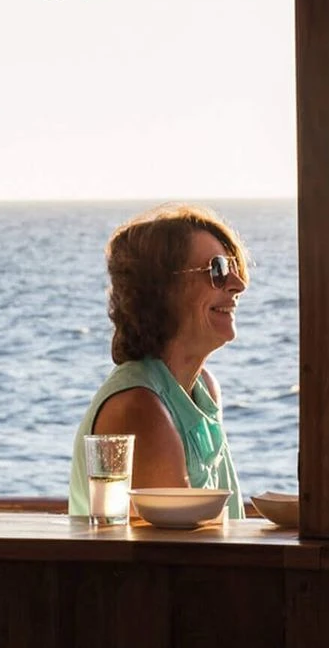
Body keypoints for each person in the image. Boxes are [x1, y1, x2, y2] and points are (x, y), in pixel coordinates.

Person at [68, 204, 248, 519]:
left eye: (233, 267)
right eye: (217, 270)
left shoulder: (203, 388)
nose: (238, 284)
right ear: (162, 291)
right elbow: (178, 546)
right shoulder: (139, 407)